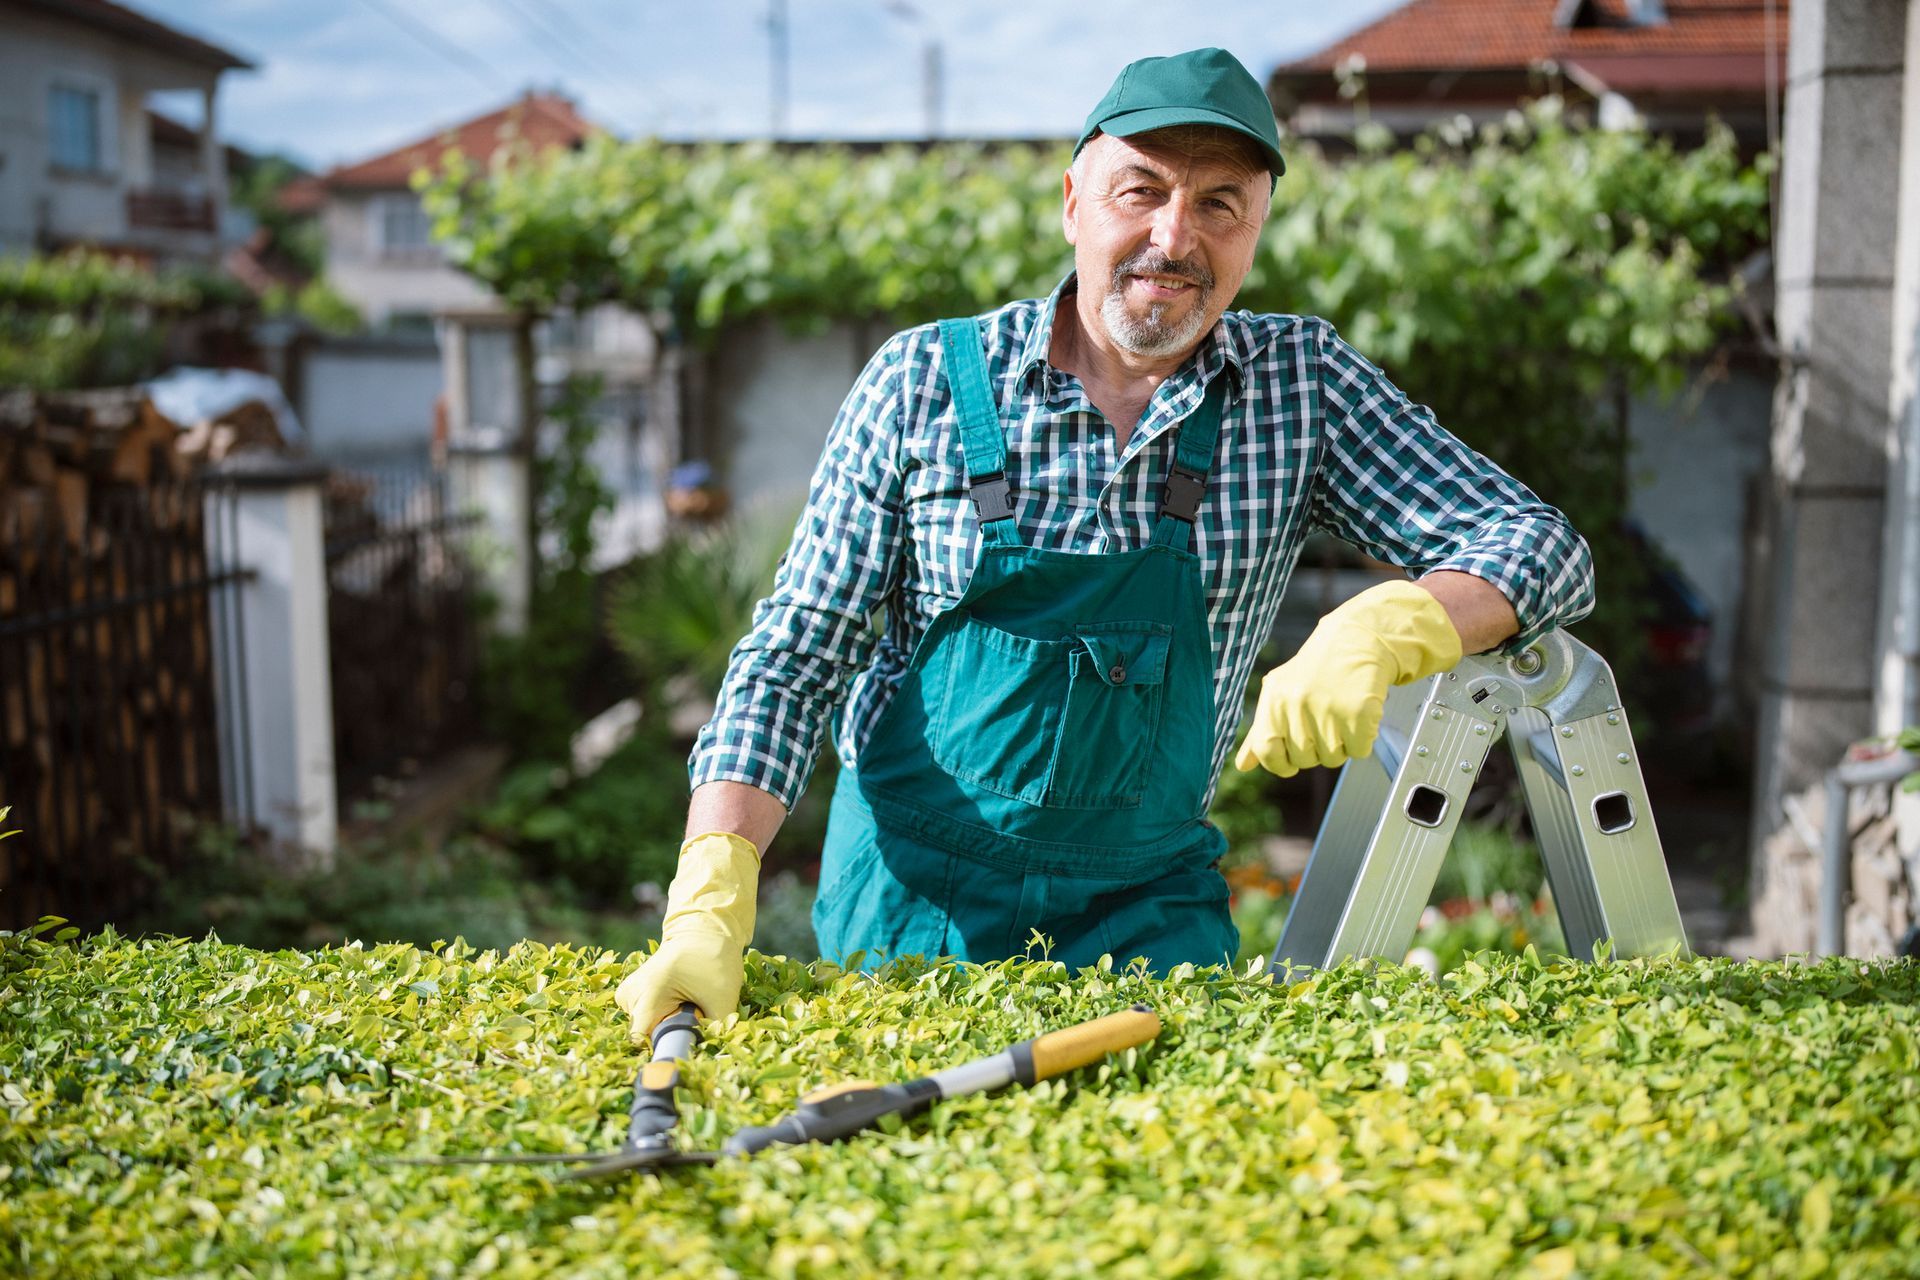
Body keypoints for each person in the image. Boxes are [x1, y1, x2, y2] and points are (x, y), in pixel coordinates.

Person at [616, 47, 1593, 1038]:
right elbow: (793, 658)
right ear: (1075, 201)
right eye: (1143, 190)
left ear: (1256, 227)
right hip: (912, 908)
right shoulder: (924, 383)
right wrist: (711, 887)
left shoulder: (1302, 389)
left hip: (1146, 914)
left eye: (1220, 203)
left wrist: (1397, 622)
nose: (1176, 237)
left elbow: (1539, 543)